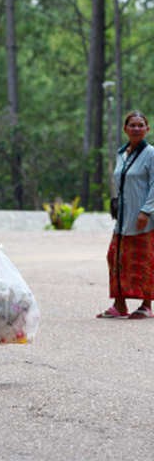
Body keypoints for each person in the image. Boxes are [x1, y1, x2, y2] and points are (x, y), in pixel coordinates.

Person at [98, 110, 154, 319]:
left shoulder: (151, 154)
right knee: (115, 257)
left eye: (141, 125)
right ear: (125, 129)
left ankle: (146, 304)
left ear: (147, 129)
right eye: (132, 125)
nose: (137, 128)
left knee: (143, 259)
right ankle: (119, 304)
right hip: (123, 216)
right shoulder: (122, 153)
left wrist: (146, 211)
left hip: (143, 217)